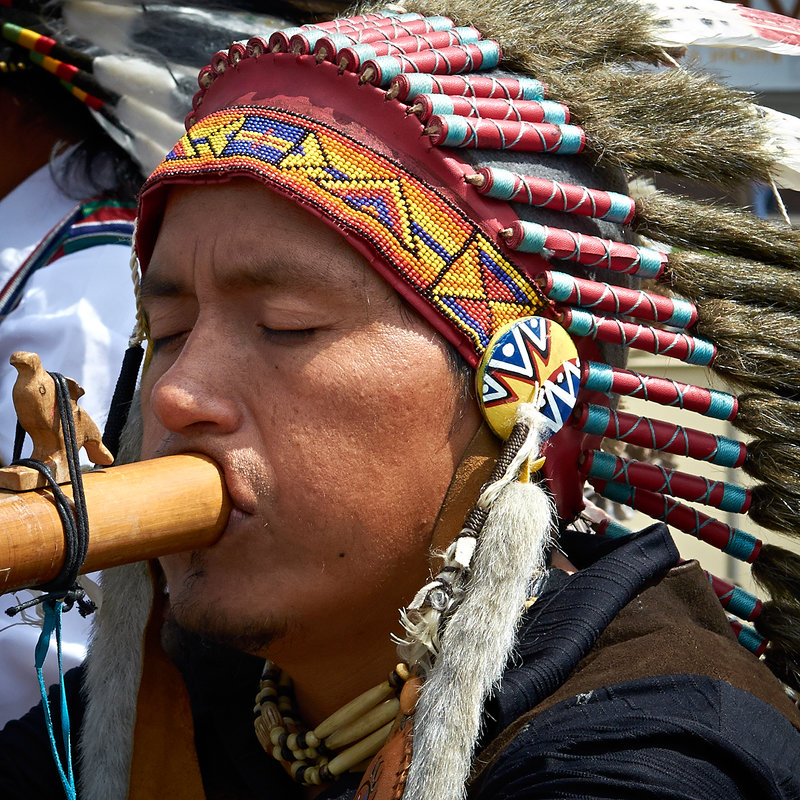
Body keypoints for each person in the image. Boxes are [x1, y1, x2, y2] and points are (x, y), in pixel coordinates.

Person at [2, 2, 800, 798]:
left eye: (287, 326)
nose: (176, 395)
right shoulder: (184, 690)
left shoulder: (649, 759)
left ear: (518, 391)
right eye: (169, 329)